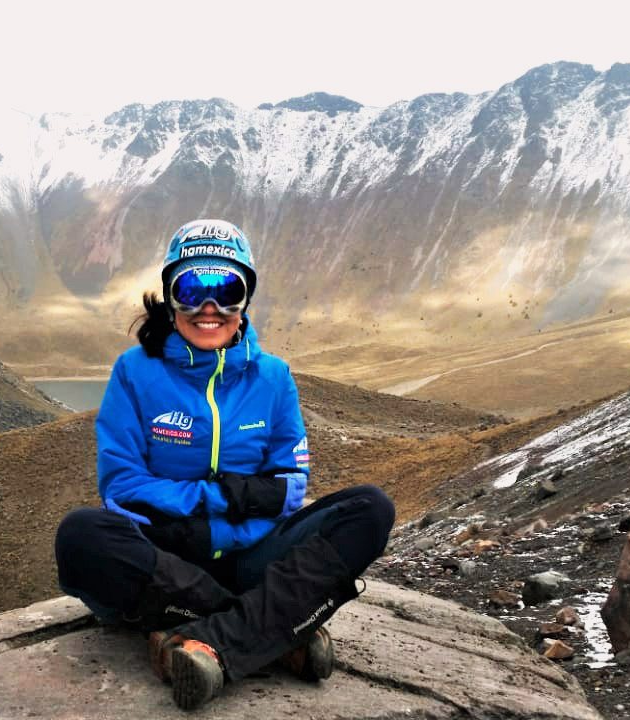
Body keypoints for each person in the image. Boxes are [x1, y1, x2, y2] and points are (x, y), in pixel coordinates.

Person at [55, 219, 395, 710]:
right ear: (172, 298)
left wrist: (216, 506)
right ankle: (274, 628)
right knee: (81, 536)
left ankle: (206, 635)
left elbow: (290, 488)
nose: (208, 309)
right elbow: (123, 488)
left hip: (250, 558)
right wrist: (229, 499)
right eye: (192, 288)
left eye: (227, 290)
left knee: (370, 509)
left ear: (246, 300)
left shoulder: (274, 378)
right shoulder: (134, 371)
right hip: (165, 559)